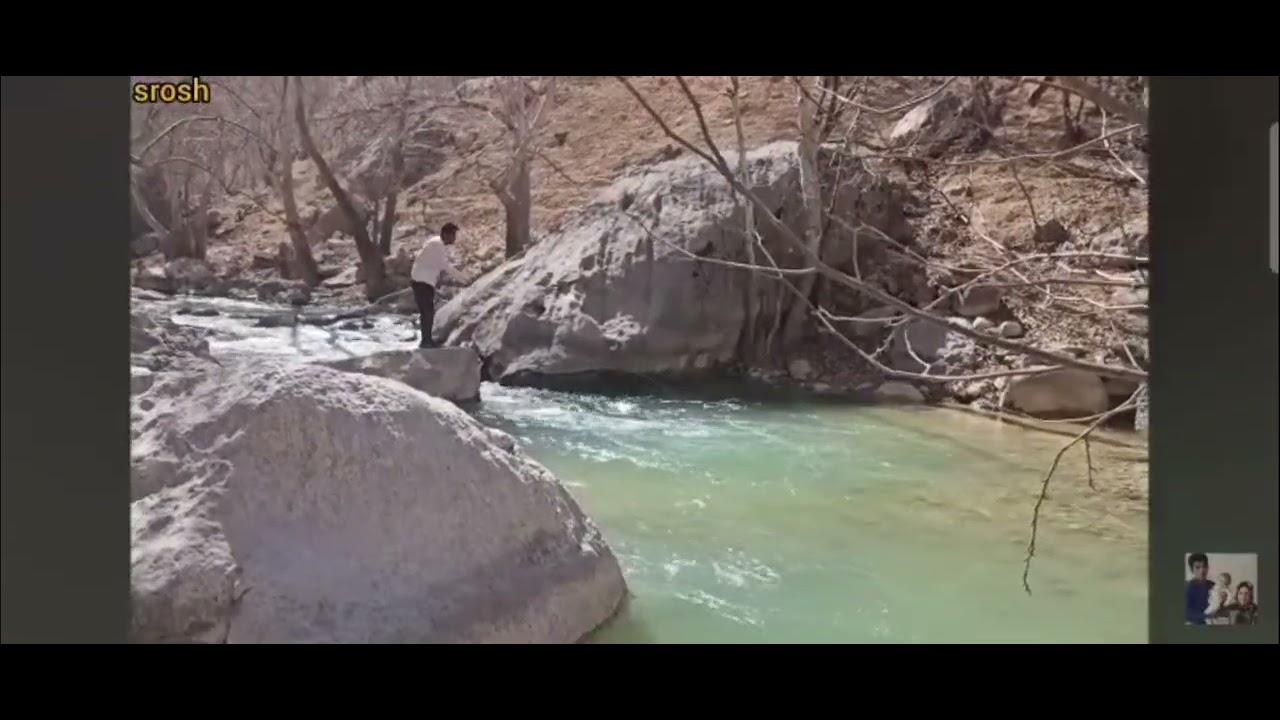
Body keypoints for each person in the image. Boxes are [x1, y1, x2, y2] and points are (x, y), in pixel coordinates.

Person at [410, 222, 463, 348]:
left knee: (427, 312)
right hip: (421, 282)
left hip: (423, 281)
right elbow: (444, 265)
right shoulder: (437, 245)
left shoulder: (436, 243)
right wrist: (463, 278)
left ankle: (427, 340)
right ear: (446, 234)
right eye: (453, 235)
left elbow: (436, 266)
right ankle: (426, 342)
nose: (454, 238)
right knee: (427, 312)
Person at [1185, 553, 1214, 625]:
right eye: (1197, 567)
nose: (1202, 570)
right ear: (1191, 569)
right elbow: (1187, 613)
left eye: (1204, 566)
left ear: (1208, 567)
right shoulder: (1187, 587)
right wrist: (1206, 616)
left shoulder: (1213, 585)